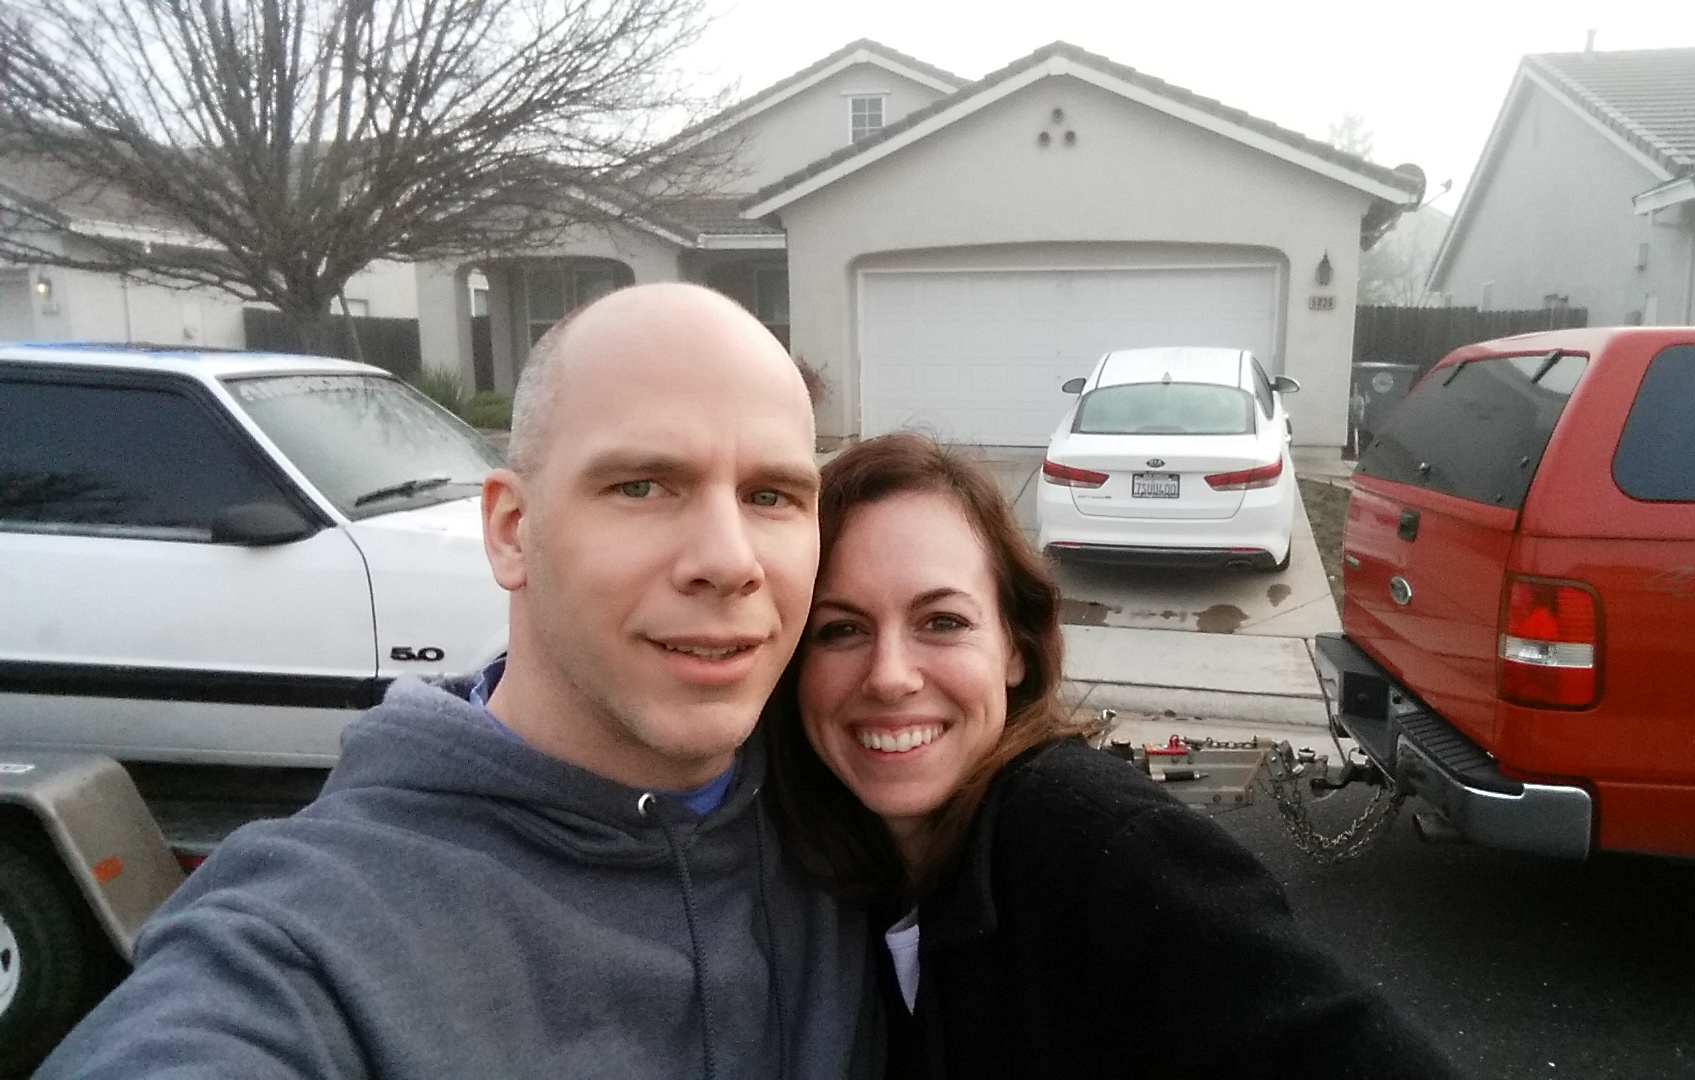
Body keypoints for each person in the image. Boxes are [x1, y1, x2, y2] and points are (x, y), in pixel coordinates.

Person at [36, 284, 874, 1080]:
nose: (729, 562)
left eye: (772, 495)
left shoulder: (860, 810)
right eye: (642, 486)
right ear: (511, 531)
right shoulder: (315, 938)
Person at [765, 432, 1460, 1080]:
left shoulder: (1093, 840)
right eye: (840, 629)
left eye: (942, 622)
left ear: (1016, 647)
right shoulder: (827, 864)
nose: (890, 676)